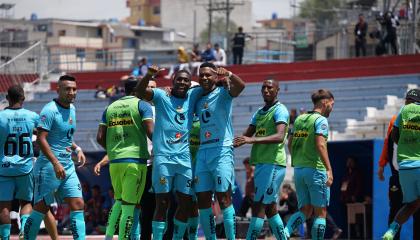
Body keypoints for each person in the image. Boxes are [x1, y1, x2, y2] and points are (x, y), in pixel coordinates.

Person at [136, 66, 203, 240]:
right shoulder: (160, 95)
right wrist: (150, 75)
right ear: (172, 81)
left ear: (190, 84)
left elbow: (210, 86)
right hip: (163, 160)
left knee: (186, 203)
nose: (182, 82)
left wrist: (223, 76)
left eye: (185, 80)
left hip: (184, 160)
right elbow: (140, 91)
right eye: (179, 79)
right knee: (162, 203)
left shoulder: (193, 95)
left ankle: (177, 238)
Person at [24, 75, 87, 240]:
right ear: (58, 89)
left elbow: (63, 136)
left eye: (74, 89)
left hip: (68, 166)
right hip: (48, 167)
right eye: (67, 89)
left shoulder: (72, 109)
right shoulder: (50, 110)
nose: (72, 92)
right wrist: (55, 162)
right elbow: (41, 139)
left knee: (78, 204)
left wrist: (77, 148)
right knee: (41, 208)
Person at [96, 77, 154, 240]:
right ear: (138, 89)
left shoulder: (110, 107)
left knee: (119, 201)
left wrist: (114, 151)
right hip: (135, 162)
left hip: (115, 162)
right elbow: (150, 132)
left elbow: (100, 137)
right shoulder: (142, 105)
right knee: (130, 206)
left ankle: (108, 236)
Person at [195, 62, 245, 239]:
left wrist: (230, 74)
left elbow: (241, 86)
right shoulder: (198, 98)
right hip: (203, 151)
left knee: (224, 198)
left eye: (209, 74)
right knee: (202, 199)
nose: (205, 78)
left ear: (216, 77)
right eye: (202, 75)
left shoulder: (224, 93)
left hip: (221, 150)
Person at [233, 79, 289, 239]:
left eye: (270, 87)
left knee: (259, 205)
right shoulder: (259, 112)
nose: (266, 90)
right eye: (263, 87)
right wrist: (226, 145)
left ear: (277, 90)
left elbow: (279, 136)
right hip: (261, 165)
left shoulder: (281, 110)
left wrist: (252, 140)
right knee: (271, 209)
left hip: (274, 164)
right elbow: (245, 136)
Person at [0, 85, 58, 240]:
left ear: (7, 99)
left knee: (4, 206)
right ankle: (24, 232)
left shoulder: (0, 117)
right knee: (26, 203)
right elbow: (42, 134)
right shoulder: (32, 116)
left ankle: (4, 237)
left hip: (4, 167)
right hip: (25, 167)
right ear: (23, 98)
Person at [285, 89, 335, 240]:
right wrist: (329, 169)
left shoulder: (300, 119)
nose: (332, 108)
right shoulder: (321, 120)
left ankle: (285, 233)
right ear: (325, 102)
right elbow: (320, 145)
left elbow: (289, 143)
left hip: (299, 171)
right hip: (315, 170)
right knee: (321, 212)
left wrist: (296, 160)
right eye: (332, 104)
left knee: (305, 211)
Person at [382, 89, 420, 240]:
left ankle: (391, 231)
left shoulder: (403, 111)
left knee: (411, 205)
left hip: (404, 167)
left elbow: (394, 135)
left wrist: (406, 146)